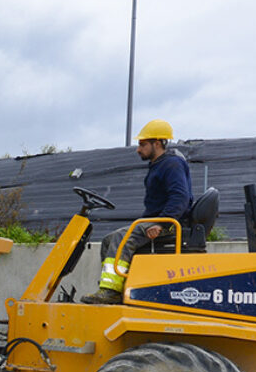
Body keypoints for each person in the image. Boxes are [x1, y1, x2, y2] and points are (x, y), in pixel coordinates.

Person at [82, 119, 193, 305]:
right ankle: (117, 288)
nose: (138, 149)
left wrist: (160, 224)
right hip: (156, 220)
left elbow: (180, 198)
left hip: (169, 223)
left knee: (122, 238)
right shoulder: (159, 165)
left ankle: (110, 292)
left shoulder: (171, 165)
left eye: (142, 145)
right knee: (110, 239)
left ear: (157, 144)